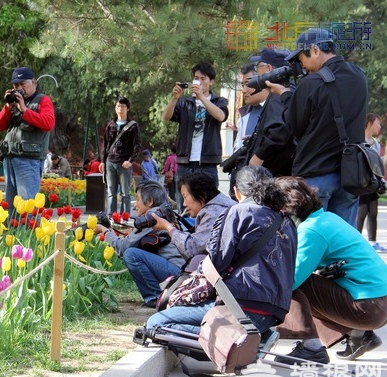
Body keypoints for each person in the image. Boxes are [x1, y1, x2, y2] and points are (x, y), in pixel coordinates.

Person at [146, 166, 297, 342]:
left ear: (236, 191)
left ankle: (237, 340)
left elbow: (216, 263)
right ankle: (260, 335)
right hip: (273, 313)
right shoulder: (287, 221)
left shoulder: (239, 212)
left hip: (240, 307)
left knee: (156, 323)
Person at [274, 177, 387, 364]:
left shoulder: (311, 231)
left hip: (369, 308)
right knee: (302, 281)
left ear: (284, 209)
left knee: (287, 283)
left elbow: (292, 279)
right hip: (378, 301)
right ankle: (359, 335)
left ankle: (311, 348)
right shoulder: (327, 218)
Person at [266, 28, 368, 227]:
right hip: (351, 176)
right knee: (342, 241)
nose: (302, 65)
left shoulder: (311, 83)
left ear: (314, 50)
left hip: (317, 175)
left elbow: (295, 126)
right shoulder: (359, 76)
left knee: (310, 239)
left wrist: (286, 95)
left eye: (301, 58)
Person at [125, 171, 235, 308]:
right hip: (228, 282)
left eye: (185, 196)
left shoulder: (213, 212)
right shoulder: (225, 206)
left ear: (201, 195)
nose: (183, 204)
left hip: (223, 289)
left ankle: (155, 298)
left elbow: (193, 249)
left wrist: (169, 228)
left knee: (157, 323)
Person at [92, 181, 184, 308]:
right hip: (181, 271)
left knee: (131, 254)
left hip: (176, 273)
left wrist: (105, 231)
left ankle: (155, 297)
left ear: (150, 201)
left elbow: (123, 248)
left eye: (138, 199)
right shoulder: (164, 213)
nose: (135, 205)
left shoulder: (152, 218)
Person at [161, 62, 229, 191]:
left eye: (203, 79)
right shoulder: (185, 102)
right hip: (185, 163)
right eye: (196, 78)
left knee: (208, 203)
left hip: (207, 163)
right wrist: (174, 99)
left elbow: (221, 116)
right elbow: (166, 117)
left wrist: (202, 97)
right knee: (184, 205)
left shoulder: (219, 101)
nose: (199, 82)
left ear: (211, 81)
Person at [0, 67, 56, 206]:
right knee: (10, 205)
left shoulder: (43, 100)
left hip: (29, 160)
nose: (19, 88)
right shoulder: (14, 103)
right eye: (16, 85)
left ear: (33, 82)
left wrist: (25, 110)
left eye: (23, 84)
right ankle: (13, 228)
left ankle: (32, 228)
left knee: (27, 205)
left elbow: (49, 123)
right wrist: (8, 107)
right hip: (10, 157)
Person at [247, 47, 296, 177]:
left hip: (275, 172)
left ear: (269, 68)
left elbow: (278, 130)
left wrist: (259, 156)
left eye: (258, 67)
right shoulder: (291, 90)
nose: (257, 72)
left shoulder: (278, 94)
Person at [226, 63, 269, 200]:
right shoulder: (244, 114)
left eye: (248, 84)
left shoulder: (276, 109)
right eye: (242, 85)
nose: (244, 90)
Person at [99, 97, 141, 215]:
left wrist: (130, 160)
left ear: (127, 108)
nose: (120, 109)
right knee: (111, 192)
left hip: (124, 163)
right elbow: (105, 144)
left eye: (122, 106)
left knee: (125, 193)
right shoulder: (110, 125)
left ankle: (124, 217)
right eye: (118, 106)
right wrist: (102, 161)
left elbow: (137, 145)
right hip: (110, 162)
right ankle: (111, 217)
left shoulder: (133, 126)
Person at [357, 113, 385, 251]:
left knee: (373, 212)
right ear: (369, 123)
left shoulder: (377, 144)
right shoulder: (359, 140)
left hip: (373, 183)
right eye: (377, 123)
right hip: (361, 182)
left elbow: (378, 164)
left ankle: (373, 242)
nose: (379, 127)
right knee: (361, 213)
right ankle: (356, 241)